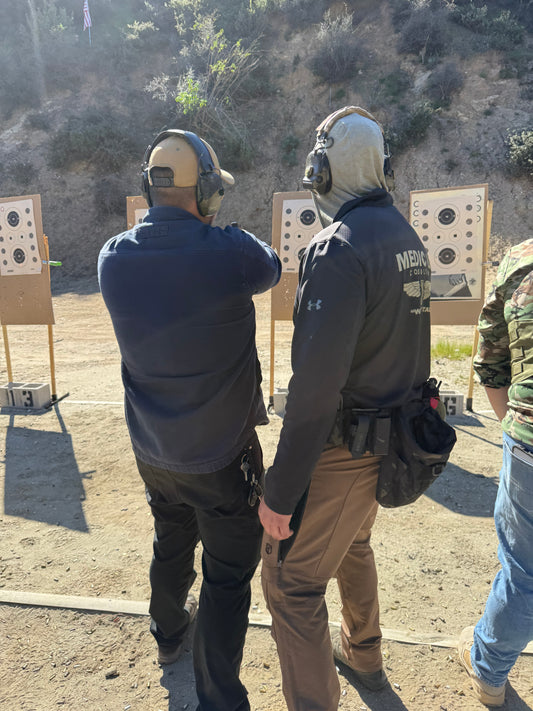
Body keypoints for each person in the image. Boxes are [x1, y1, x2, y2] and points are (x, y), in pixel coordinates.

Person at [98, 129, 281, 711]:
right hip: (223, 457)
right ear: (206, 191)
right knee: (226, 577)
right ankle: (219, 700)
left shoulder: (112, 258)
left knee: (171, 538)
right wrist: (221, 229)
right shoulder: (231, 253)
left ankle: (168, 635)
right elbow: (272, 266)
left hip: (153, 449)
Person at [258, 106, 431, 711]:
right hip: (390, 440)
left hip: (344, 450)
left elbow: (314, 388)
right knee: (353, 546)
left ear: (322, 170)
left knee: (290, 584)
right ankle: (363, 654)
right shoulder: (405, 236)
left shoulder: (337, 247)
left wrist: (281, 492)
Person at [459, 238, 533, 707]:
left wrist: (516, 427)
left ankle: (488, 671)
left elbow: (491, 360)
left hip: (531, 440)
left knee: (525, 574)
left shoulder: (521, 260)